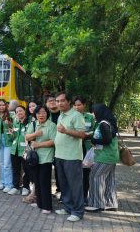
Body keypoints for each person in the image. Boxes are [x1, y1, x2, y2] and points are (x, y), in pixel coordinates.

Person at [53, 91, 86, 222]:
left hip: (72, 156)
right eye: (57, 101)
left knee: (75, 185)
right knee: (64, 184)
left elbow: (82, 135)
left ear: (68, 102)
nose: (59, 103)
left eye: (62, 101)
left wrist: (66, 131)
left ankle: (78, 212)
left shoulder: (76, 115)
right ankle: (68, 207)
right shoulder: (61, 115)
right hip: (59, 155)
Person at [85, 104, 119, 212]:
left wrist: (94, 141)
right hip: (111, 156)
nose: (92, 114)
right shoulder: (108, 123)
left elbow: (107, 140)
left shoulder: (104, 124)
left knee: (95, 176)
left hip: (104, 157)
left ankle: (97, 204)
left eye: (94, 111)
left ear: (99, 112)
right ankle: (111, 202)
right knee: (109, 180)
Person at [25, 105, 57, 214]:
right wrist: (36, 134)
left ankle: (47, 206)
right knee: (37, 181)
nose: (41, 115)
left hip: (46, 157)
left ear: (47, 113)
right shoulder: (33, 124)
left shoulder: (52, 126)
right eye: (38, 113)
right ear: (35, 115)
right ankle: (39, 203)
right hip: (34, 158)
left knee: (44, 182)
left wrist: (39, 144)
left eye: (43, 112)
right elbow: (27, 137)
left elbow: (53, 141)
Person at [73, 96, 95, 204]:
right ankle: (73, 196)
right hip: (73, 149)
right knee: (73, 173)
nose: (77, 107)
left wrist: (86, 134)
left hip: (86, 148)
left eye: (79, 105)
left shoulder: (90, 117)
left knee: (85, 173)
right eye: (75, 105)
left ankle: (84, 196)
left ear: (84, 105)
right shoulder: (70, 117)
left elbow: (95, 131)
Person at [0, 99, 14, 193]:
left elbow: (14, 127)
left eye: (3, 105)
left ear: (6, 106)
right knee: (1, 163)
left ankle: (9, 184)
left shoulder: (11, 115)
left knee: (7, 163)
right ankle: (3, 182)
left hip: (8, 141)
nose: (1, 107)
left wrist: (9, 123)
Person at [9, 105, 31, 196]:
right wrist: (11, 134)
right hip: (14, 150)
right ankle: (16, 187)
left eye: (20, 111)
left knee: (26, 170)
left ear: (25, 111)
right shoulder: (15, 122)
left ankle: (26, 187)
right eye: (17, 112)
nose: (18, 113)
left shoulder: (30, 122)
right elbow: (13, 137)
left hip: (25, 150)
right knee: (15, 169)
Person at [45, 94, 61, 198]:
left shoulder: (63, 113)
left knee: (59, 168)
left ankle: (60, 189)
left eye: (54, 100)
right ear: (46, 104)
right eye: (49, 101)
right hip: (47, 145)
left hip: (60, 146)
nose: (52, 102)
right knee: (46, 167)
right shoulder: (45, 115)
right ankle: (46, 190)